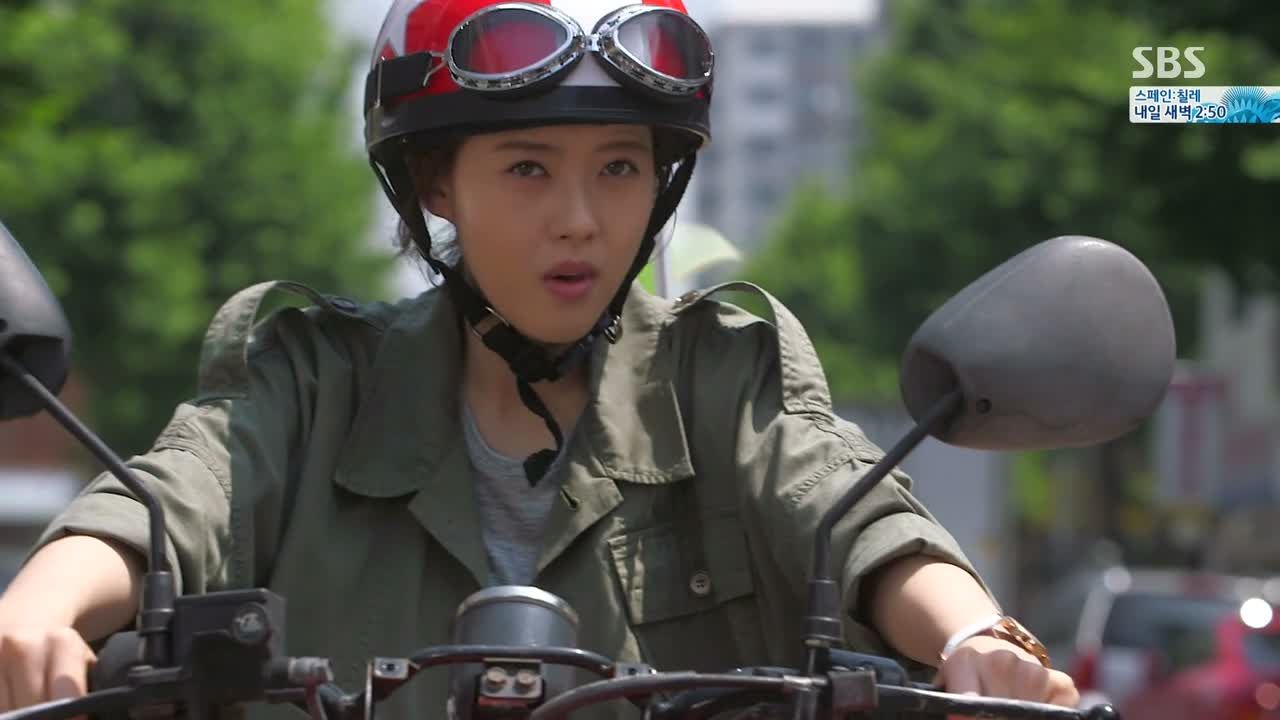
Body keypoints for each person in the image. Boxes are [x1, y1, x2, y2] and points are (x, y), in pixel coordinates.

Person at [0, 1, 1080, 717]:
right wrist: (37, 609)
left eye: (619, 167)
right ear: (435, 183)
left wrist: (975, 638)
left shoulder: (717, 377)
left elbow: (846, 509)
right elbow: (176, 496)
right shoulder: (312, 380)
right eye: (527, 168)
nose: (581, 219)